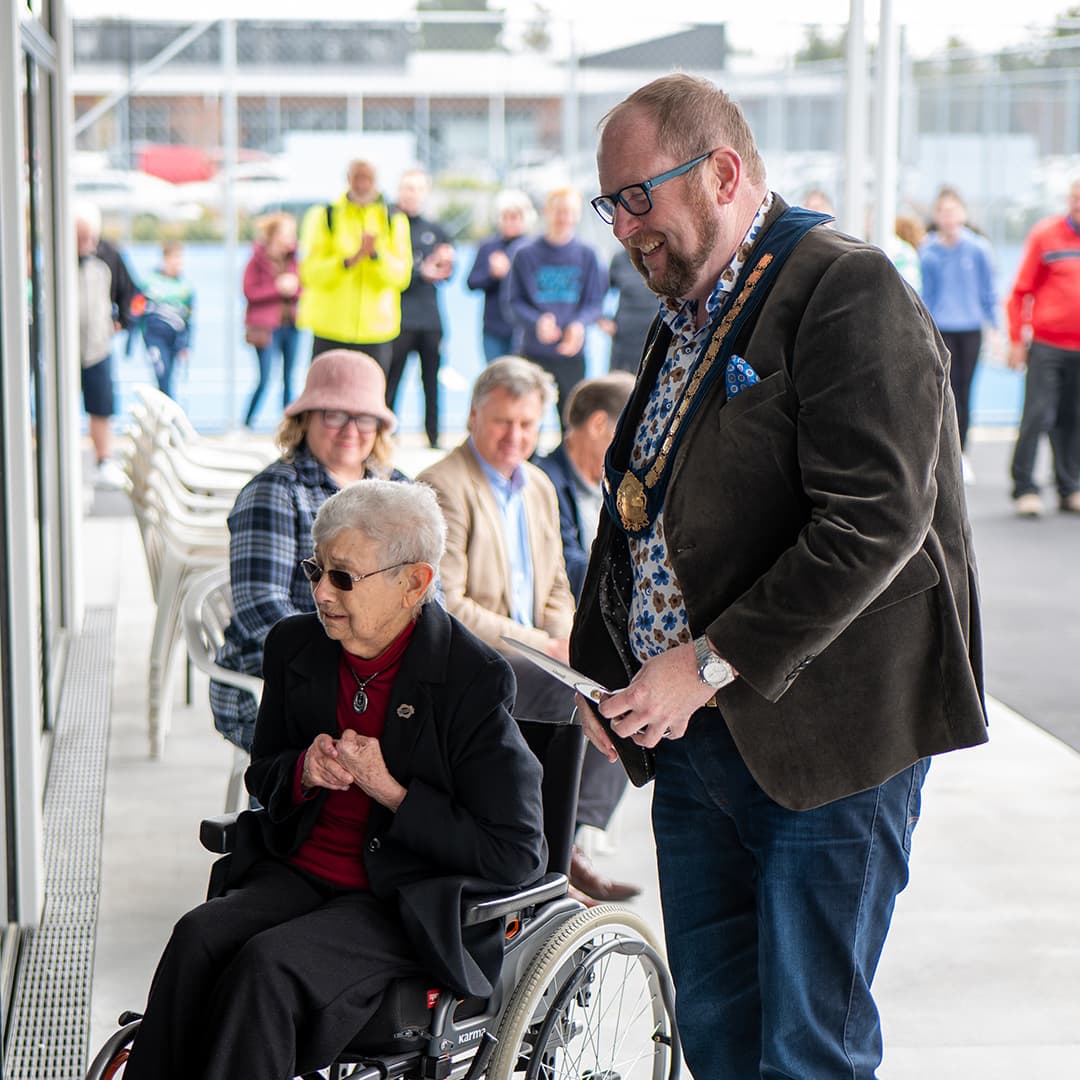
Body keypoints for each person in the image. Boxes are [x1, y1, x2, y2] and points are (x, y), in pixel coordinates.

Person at [572, 73, 987, 1079]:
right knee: (719, 1041)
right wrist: (603, 666)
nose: (625, 228)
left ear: (721, 172)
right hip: (697, 745)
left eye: (640, 196)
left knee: (806, 1051)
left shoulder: (844, 283)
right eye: (611, 203)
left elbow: (876, 517)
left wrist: (706, 662)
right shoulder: (689, 309)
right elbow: (649, 501)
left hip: (826, 749)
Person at [121, 479, 546, 1080]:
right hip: (299, 873)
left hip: (401, 903)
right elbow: (264, 771)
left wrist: (391, 792)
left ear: (414, 584)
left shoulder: (470, 680)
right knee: (197, 936)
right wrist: (302, 771)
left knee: (267, 968)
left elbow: (517, 852)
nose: (320, 592)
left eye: (343, 577)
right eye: (316, 570)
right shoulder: (298, 646)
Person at [418, 357, 640, 907]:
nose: (515, 436)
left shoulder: (537, 484)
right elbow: (450, 608)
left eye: (527, 424)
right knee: (572, 692)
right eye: (502, 422)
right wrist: (546, 647)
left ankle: (568, 844)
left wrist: (564, 638)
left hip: (535, 649)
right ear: (472, 417)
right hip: (471, 656)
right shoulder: (443, 486)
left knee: (623, 684)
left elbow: (557, 589)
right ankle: (547, 860)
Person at [211, 350, 409, 753]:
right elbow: (261, 608)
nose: (351, 429)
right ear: (305, 420)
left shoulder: (398, 492)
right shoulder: (275, 492)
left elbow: (425, 592)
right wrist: (350, 662)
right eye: (334, 414)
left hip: (376, 676)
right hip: (276, 681)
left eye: (364, 417)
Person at [1005, 176, 1080, 518]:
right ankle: (1025, 487)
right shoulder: (1046, 235)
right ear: (1069, 199)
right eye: (1076, 198)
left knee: (1073, 419)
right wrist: (1017, 340)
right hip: (1048, 345)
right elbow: (1020, 292)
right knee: (1037, 415)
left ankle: (1070, 486)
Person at [296, 158, 412, 369]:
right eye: (357, 178)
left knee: (371, 399)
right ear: (348, 179)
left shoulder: (394, 220)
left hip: (376, 331)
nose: (362, 184)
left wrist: (375, 255)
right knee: (325, 398)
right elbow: (310, 273)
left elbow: (401, 277)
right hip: (329, 328)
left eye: (367, 179)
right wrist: (348, 261)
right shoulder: (324, 216)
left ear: (376, 181)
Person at [505, 187, 606, 423]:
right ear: (546, 212)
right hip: (533, 353)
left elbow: (595, 304)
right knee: (527, 420)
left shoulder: (588, 255)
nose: (565, 218)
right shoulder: (524, 254)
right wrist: (536, 322)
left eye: (571, 212)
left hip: (572, 354)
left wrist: (579, 324)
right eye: (560, 211)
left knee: (571, 423)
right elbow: (513, 304)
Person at [535, 372, 636, 599]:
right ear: (598, 424)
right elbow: (568, 568)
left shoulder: (614, 482)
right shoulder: (543, 483)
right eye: (631, 437)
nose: (636, 450)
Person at [919, 186, 999, 468]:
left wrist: (995, 328)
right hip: (942, 329)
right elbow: (925, 294)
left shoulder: (978, 249)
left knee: (965, 390)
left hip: (971, 329)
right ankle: (942, 453)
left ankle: (961, 454)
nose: (947, 216)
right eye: (941, 211)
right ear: (935, 215)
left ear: (963, 214)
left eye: (952, 210)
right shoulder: (927, 250)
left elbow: (989, 291)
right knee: (944, 390)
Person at [384, 168, 455, 449]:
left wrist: (445, 264)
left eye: (416, 189)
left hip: (430, 321)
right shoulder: (389, 226)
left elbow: (447, 272)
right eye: (406, 188)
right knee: (392, 382)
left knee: (430, 383)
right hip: (398, 319)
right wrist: (420, 272)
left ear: (424, 193)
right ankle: (386, 436)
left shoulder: (436, 231)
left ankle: (433, 437)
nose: (410, 194)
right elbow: (390, 273)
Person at [75, 202, 127, 490]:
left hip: (97, 349)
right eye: (80, 237)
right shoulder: (56, 263)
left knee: (101, 406)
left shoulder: (106, 261)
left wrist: (121, 323)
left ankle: (103, 459)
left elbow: (130, 292)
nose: (87, 243)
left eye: (89, 236)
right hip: (66, 352)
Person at [242, 211, 302, 428]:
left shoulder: (294, 260)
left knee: (289, 378)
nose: (292, 238)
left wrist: (293, 288)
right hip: (266, 329)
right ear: (275, 235)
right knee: (265, 378)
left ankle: (289, 427)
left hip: (291, 326)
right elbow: (249, 292)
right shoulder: (256, 261)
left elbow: (303, 287)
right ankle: (246, 424)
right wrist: (277, 288)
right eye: (288, 233)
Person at [466, 188, 535, 363]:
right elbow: (472, 282)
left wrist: (510, 273)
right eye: (505, 216)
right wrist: (492, 274)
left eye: (515, 217)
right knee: (495, 376)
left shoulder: (532, 248)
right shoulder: (488, 246)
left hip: (523, 327)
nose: (509, 222)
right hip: (493, 326)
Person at [139, 239, 196, 399]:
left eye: (180, 259)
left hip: (175, 339)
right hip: (154, 338)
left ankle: (165, 415)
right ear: (165, 259)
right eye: (175, 259)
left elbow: (189, 318)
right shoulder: (149, 282)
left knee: (169, 379)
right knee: (162, 376)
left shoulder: (185, 288)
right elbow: (137, 309)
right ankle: (168, 416)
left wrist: (187, 345)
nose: (178, 263)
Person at [599, 247, 660, 373]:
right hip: (624, 337)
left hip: (655, 334)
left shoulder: (662, 254)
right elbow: (598, 293)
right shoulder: (619, 259)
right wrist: (603, 318)